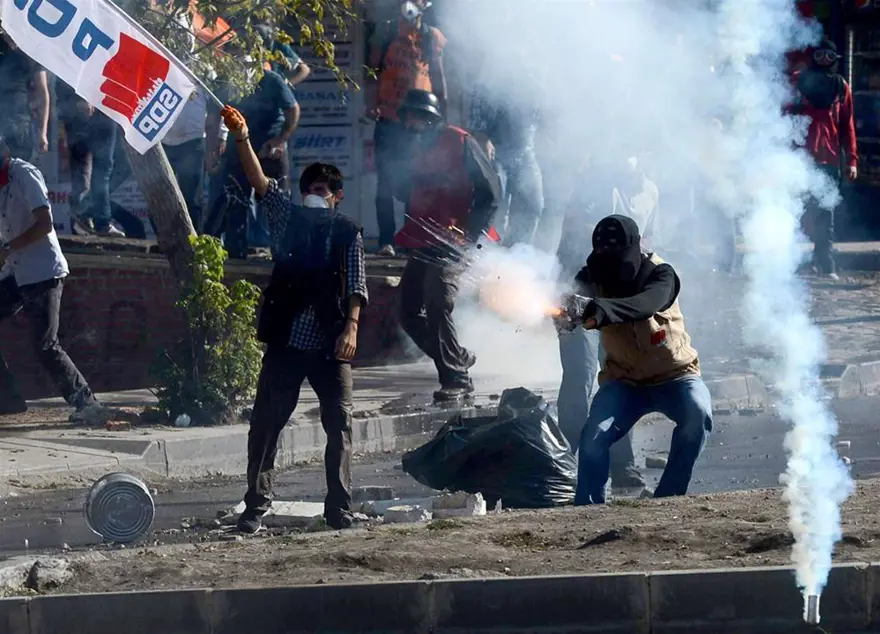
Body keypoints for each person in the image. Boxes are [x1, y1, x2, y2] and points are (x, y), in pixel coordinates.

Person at [221, 105, 367, 534]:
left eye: (324, 189)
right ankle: (255, 508)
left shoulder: (347, 232)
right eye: (312, 187)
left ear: (337, 196)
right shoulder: (288, 218)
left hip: (330, 343)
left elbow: (357, 285)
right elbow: (259, 181)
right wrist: (243, 137)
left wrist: (351, 328)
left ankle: (338, 508)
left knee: (339, 427)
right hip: (286, 340)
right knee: (265, 425)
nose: (317, 193)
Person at [567, 214, 712, 505]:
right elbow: (570, 303)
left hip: (676, 376)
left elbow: (644, 305)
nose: (609, 265)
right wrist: (566, 312)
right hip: (624, 381)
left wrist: (600, 311)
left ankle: (667, 499)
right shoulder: (590, 276)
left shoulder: (661, 275)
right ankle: (587, 512)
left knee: (698, 415)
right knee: (593, 438)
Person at [394, 89, 501, 401]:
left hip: (455, 238)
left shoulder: (459, 140)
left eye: (415, 118)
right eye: (407, 119)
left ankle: (456, 378)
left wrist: (469, 236)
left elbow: (490, 191)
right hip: (423, 239)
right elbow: (407, 193)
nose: (410, 125)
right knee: (407, 310)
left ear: (430, 118)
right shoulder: (413, 151)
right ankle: (457, 355)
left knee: (439, 302)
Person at [0, 137, 107, 422]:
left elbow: (44, 223)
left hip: (43, 271)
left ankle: (87, 404)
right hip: (15, 272)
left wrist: (9, 248)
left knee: (45, 344)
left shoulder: (24, 174)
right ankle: (7, 399)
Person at [554, 209, 646, 493]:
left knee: (617, 381)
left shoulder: (623, 238)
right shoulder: (573, 234)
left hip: (609, 313)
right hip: (576, 311)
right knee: (578, 380)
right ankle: (564, 462)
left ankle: (621, 465)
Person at [366, 0, 448, 256]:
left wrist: (442, 115)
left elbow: (437, 74)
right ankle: (386, 241)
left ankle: (410, 239)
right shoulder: (387, 31)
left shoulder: (431, 36)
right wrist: (370, 103)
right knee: (385, 184)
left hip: (418, 123)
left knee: (414, 182)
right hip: (389, 118)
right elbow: (371, 71)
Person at [205, 64, 300, 260]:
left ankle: (282, 254)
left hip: (269, 152)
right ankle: (236, 254)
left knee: (278, 201)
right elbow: (213, 118)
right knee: (235, 202)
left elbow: (293, 109)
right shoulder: (223, 80)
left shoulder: (271, 79)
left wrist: (280, 140)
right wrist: (211, 150)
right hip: (237, 150)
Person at [791, 37, 858, 279]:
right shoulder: (799, 81)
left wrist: (851, 160)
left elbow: (847, 125)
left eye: (829, 57)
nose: (824, 61)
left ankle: (824, 263)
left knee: (825, 214)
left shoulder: (841, 86)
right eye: (819, 56)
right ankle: (788, 263)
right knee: (794, 210)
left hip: (828, 159)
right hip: (798, 160)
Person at [468, 81, 543, 247]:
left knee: (533, 204)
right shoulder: (498, 68)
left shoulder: (538, 74)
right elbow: (481, 94)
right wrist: (481, 134)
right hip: (497, 147)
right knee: (494, 202)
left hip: (525, 151)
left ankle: (514, 255)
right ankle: (480, 251)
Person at [56, 83, 125, 237]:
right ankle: (94, 220)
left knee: (106, 168)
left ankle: (86, 213)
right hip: (83, 108)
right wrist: (81, 96)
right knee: (84, 168)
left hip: (108, 107)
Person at [162, 89, 228, 232]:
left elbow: (217, 108)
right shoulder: (164, 67)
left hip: (193, 141)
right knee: (162, 195)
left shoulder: (204, 71)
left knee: (191, 197)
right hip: (162, 140)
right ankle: (166, 238)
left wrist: (221, 136)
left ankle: (193, 239)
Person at [0, 33, 48, 162]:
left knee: (20, 174)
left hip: (21, 125)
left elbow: (42, 92)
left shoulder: (31, 51)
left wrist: (42, 132)